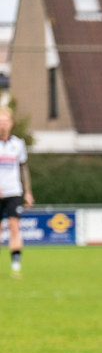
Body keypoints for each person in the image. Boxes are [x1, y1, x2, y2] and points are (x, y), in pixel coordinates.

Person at [0, 106, 33, 276]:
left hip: (14, 191)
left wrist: (27, 192)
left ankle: (15, 264)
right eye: (0, 121)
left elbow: (23, 168)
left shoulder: (18, 144)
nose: (2, 125)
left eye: (5, 121)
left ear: (11, 123)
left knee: (14, 227)